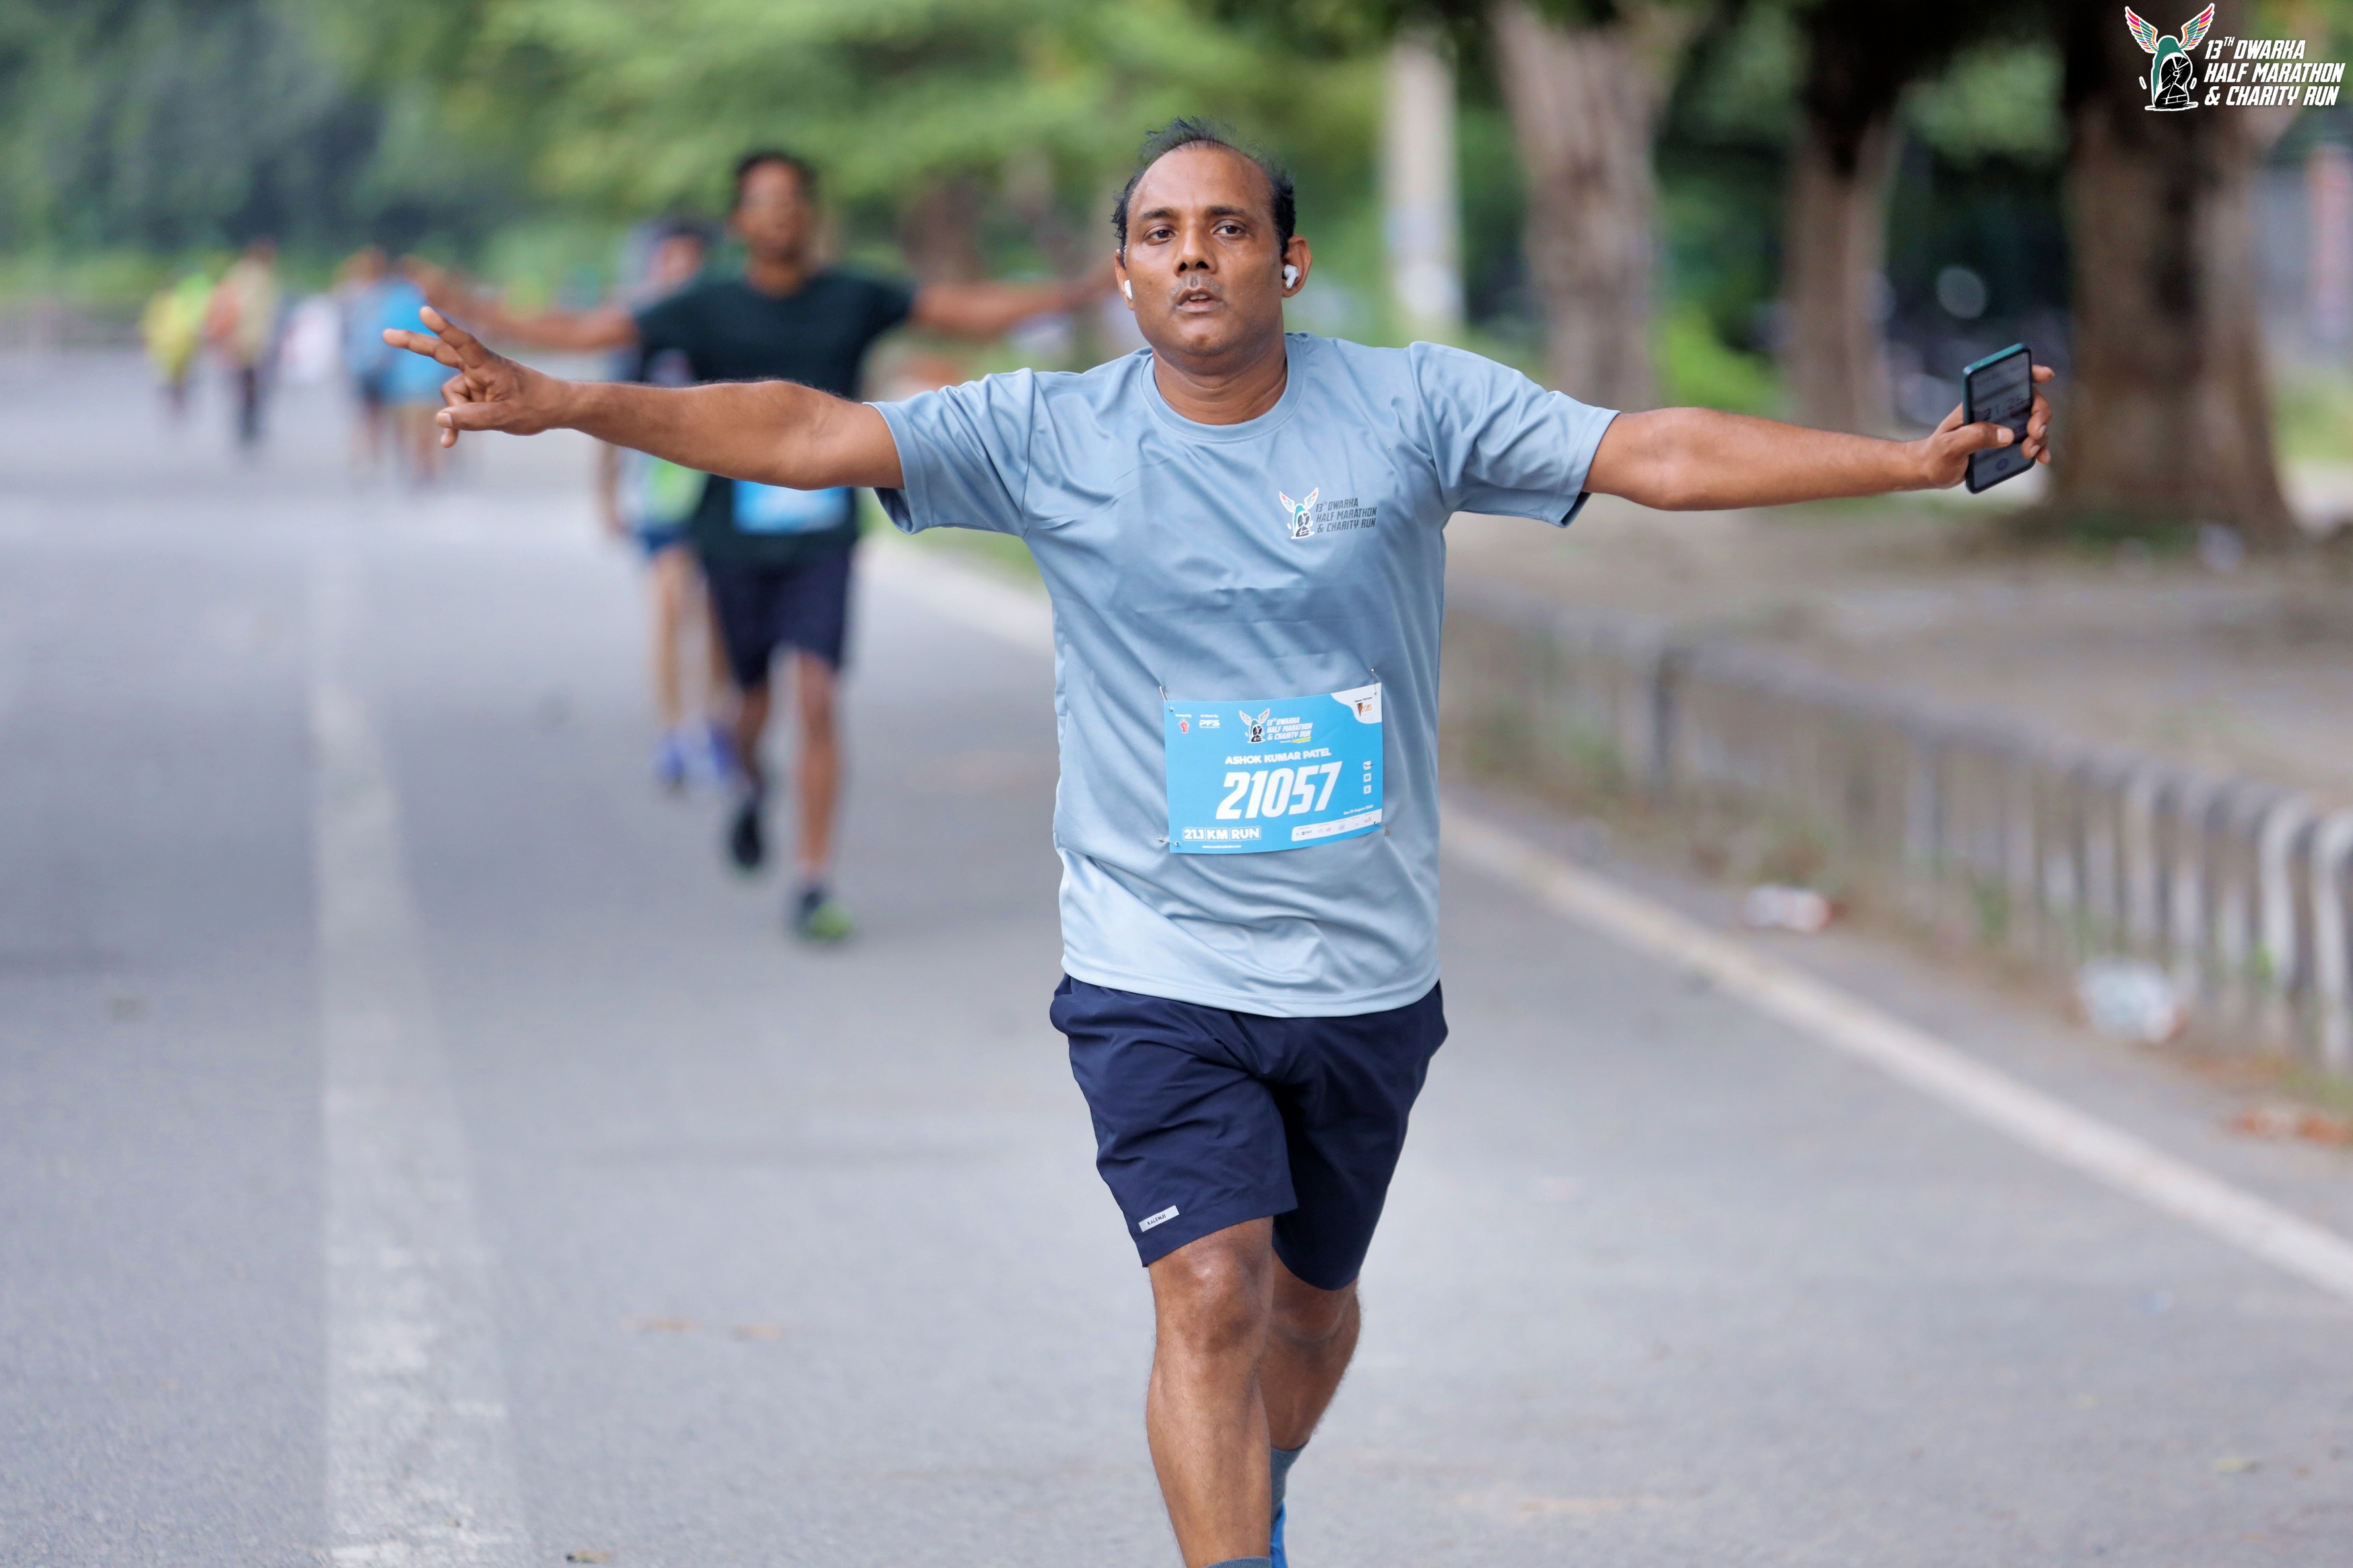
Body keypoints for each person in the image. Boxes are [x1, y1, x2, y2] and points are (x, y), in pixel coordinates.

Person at [388, 118, 2053, 1568]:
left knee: (1307, 1318)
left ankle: (1257, 1490)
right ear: (1122, 273)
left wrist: (1906, 459)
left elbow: (1653, 452)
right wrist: (566, 403)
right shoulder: (1051, 433)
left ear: (1288, 261)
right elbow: (801, 430)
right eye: (1161, 232)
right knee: (1209, 1293)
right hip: (1152, 958)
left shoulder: (1413, 407)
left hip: (1363, 970)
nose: (1195, 255)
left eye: (1229, 228)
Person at [411, 149, 1106, 942]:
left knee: (816, 693)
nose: (778, 215)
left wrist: (1082, 290)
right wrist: (482, 317)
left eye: (791, 200)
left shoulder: (853, 296)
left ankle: (813, 879)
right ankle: (747, 779)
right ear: (738, 221)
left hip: (823, 536)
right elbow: (590, 328)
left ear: (810, 215)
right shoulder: (703, 305)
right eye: (762, 202)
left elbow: (961, 310)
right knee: (748, 706)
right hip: (731, 537)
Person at [593, 220, 736, 792]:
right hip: (663, 490)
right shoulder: (639, 331)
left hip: (724, 486)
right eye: (670, 261)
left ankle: (716, 726)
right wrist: (605, 492)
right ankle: (673, 731)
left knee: (719, 613)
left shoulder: (727, 327)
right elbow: (607, 411)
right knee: (669, 602)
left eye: (690, 261)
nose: (680, 272)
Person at [204, 237, 280, 447]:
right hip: (250, 340)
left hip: (241, 340)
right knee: (252, 384)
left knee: (243, 384)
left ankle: (245, 423)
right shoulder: (258, 276)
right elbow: (246, 309)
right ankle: (248, 425)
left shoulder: (237, 273)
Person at [336, 248, 398, 472]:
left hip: (364, 360)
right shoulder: (385, 293)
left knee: (365, 412)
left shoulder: (350, 294)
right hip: (376, 360)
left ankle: (365, 456)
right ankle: (371, 455)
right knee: (374, 412)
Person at [140, 271, 212, 421]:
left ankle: (174, 406)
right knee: (180, 379)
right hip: (182, 346)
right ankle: (179, 406)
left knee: (170, 379)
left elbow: (149, 324)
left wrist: (149, 343)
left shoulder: (160, 302)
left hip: (166, 347)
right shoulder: (183, 301)